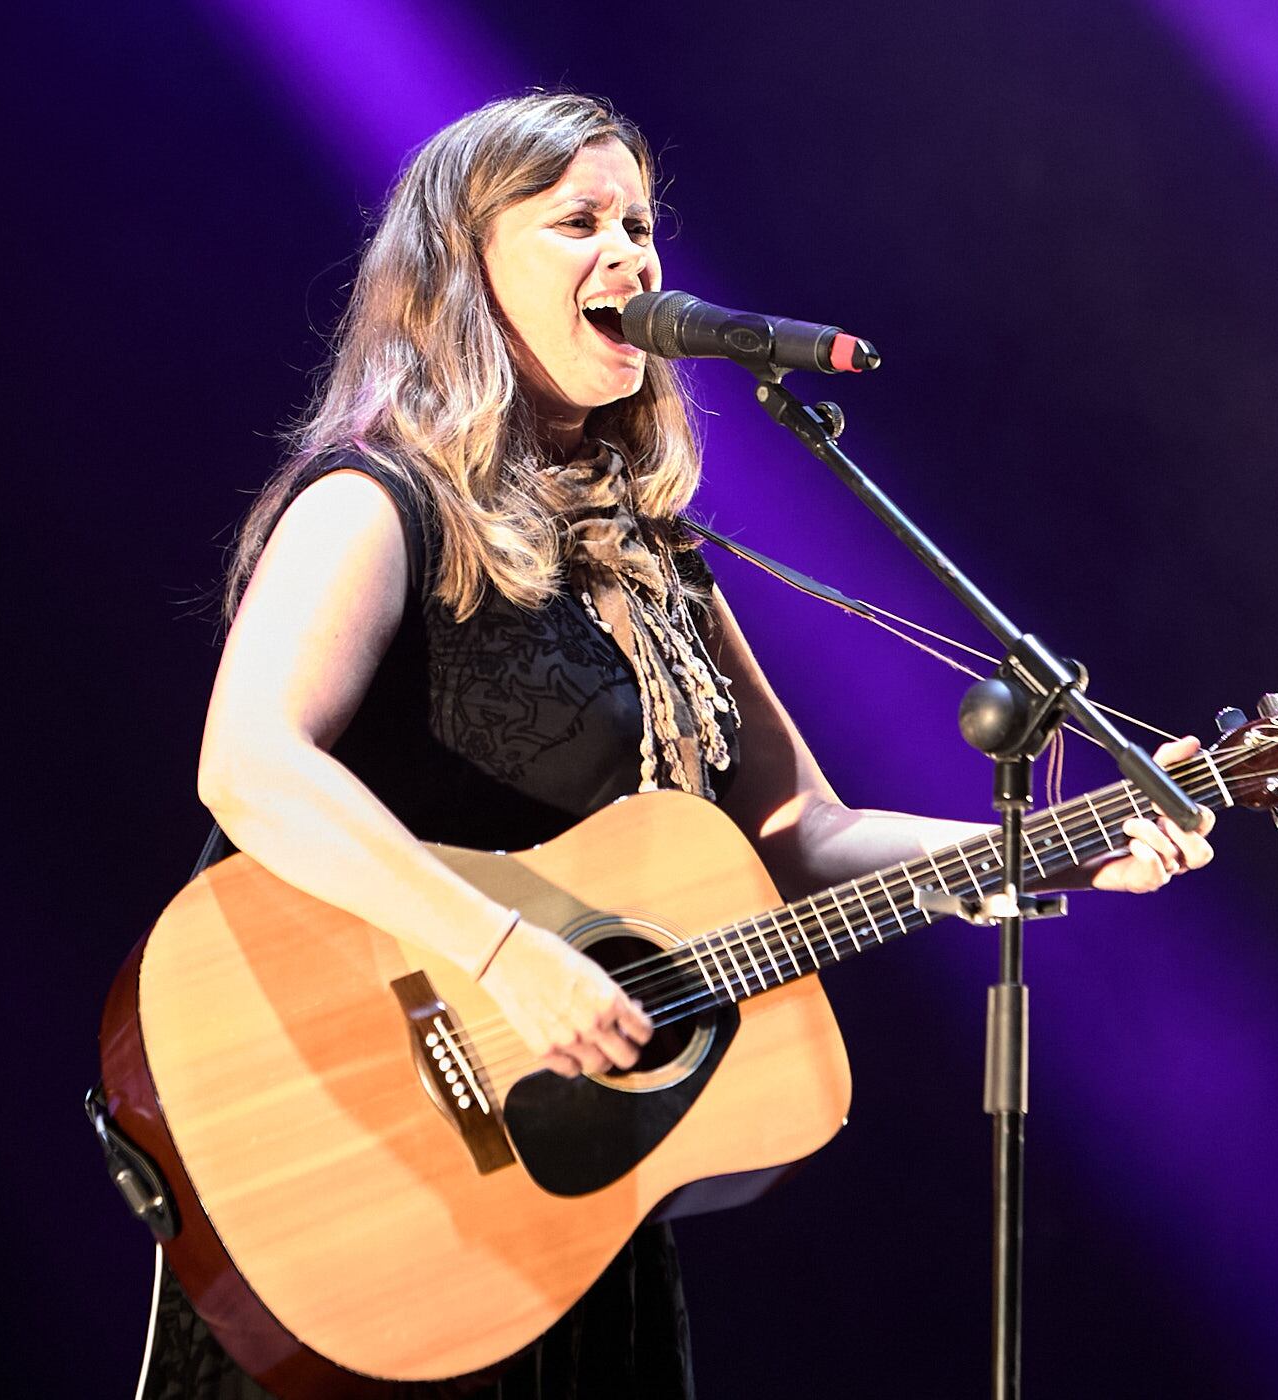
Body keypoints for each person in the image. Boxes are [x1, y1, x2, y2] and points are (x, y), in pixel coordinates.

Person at [140, 90, 1214, 1400]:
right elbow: (249, 764)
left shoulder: (658, 559)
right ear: (462, 271)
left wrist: (1051, 844)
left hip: (571, 1203)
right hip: (352, 1157)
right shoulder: (378, 502)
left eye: (641, 223)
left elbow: (798, 836)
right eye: (577, 221)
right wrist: (507, 954)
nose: (633, 256)